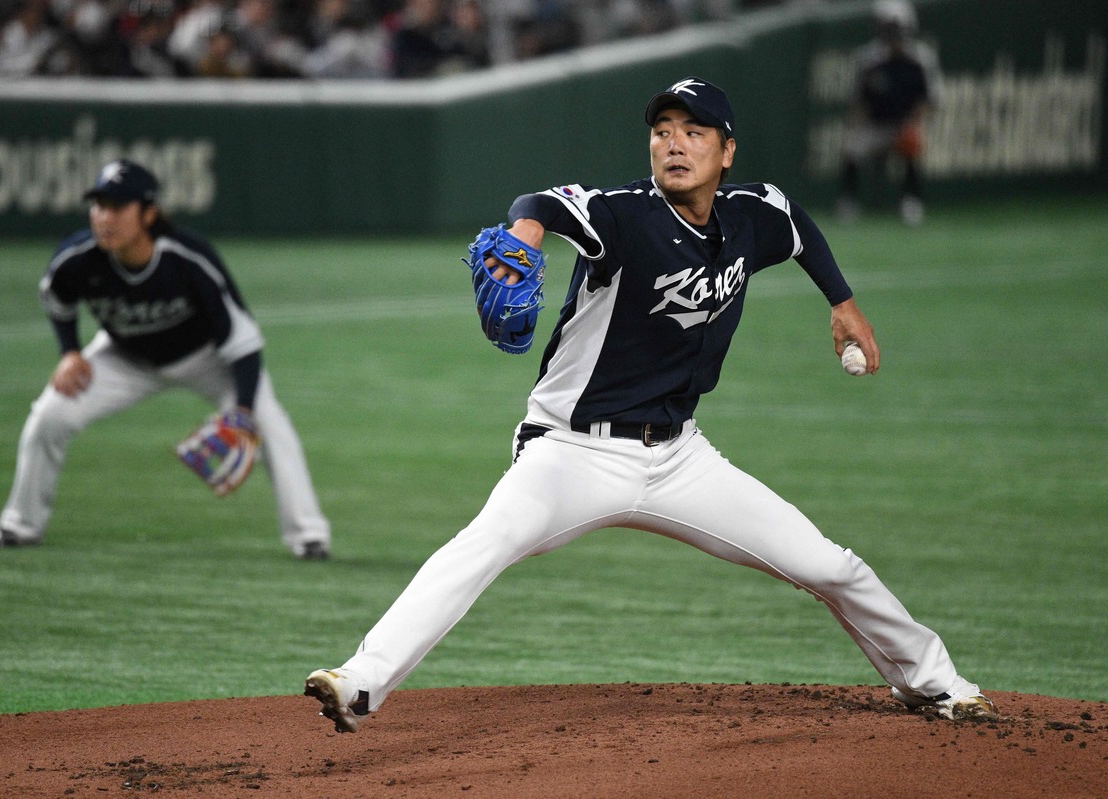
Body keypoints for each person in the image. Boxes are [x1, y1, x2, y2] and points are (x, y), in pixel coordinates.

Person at [304, 76, 996, 733]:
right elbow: (541, 202)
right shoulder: (623, 214)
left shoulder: (749, 216)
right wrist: (527, 233)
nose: (674, 142)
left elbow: (793, 219)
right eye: (663, 130)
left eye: (695, 131)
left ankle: (932, 680)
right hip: (571, 450)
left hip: (680, 457)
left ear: (727, 152)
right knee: (483, 545)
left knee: (826, 563)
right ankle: (360, 682)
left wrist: (842, 302)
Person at [0, 159, 332, 560]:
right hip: (124, 357)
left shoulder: (188, 259)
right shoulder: (77, 258)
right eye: (98, 206)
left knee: (271, 425)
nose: (104, 218)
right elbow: (56, 298)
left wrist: (242, 411)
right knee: (50, 416)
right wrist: (69, 352)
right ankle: (20, 525)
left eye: (117, 207)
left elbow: (243, 340)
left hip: (206, 360)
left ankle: (308, 535)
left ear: (148, 213)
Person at [837, 0, 940, 225]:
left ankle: (911, 201)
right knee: (852, 146)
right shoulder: (869, 59)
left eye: (895, 27)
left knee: (912, 142)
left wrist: (911, 124)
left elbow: (928, 101)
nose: (892, 33)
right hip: (875, 125)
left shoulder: (919, 59)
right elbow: (858, 102)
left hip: (903, 124)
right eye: (887, 27)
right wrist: (855, 123)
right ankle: (849, 202)